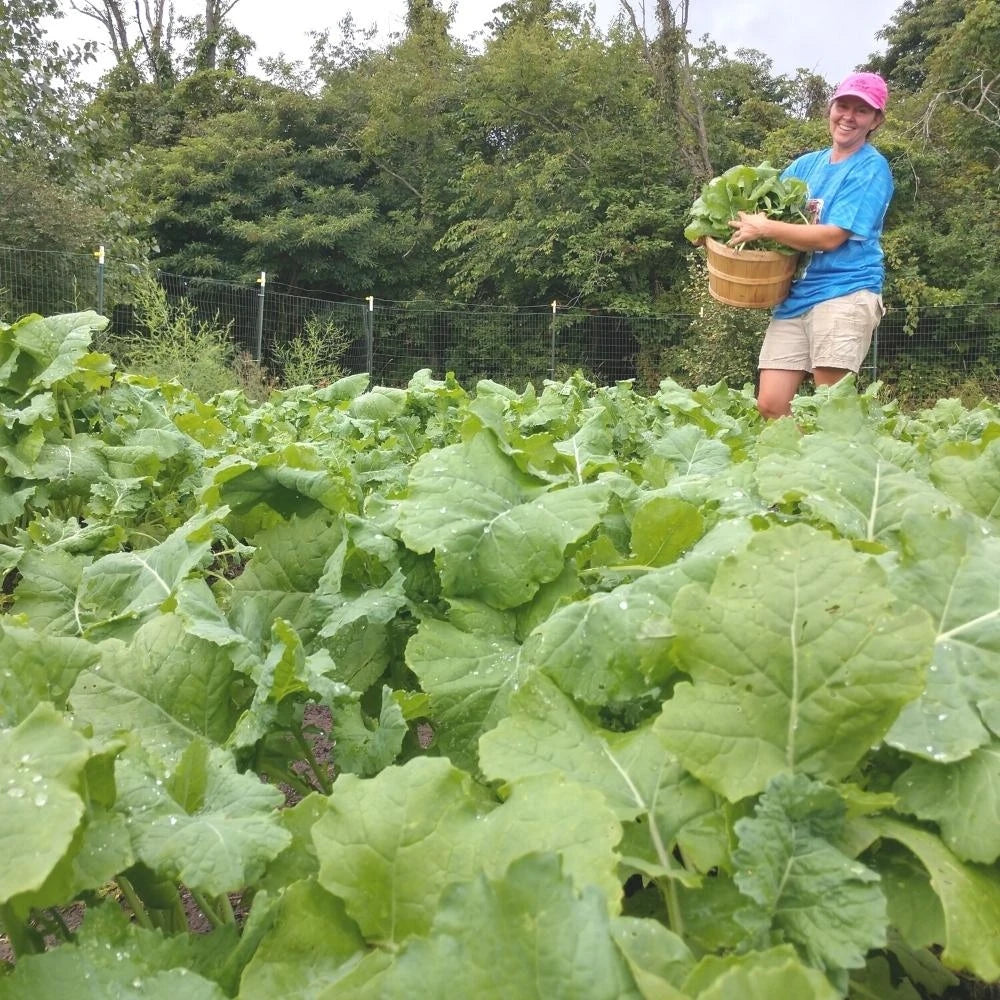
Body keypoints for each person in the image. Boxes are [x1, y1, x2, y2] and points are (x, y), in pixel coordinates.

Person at [727, 72, 894, 419]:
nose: (848, 117)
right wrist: (718, 228)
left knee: (831, 407)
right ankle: (802, 469)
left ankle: (847, 470)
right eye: (842, 106)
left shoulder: (871, 169)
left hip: (844, 290)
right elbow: (763, 205)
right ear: (830, 108)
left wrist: (766, 227)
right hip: (797, 295)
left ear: (875, 120)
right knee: (771, 405)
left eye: (861, 111)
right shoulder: (807, 165)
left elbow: (833, 236)